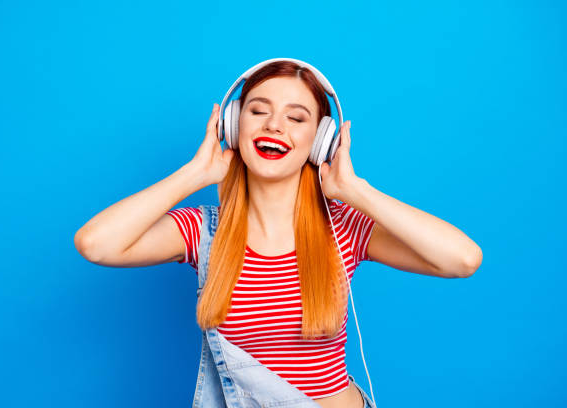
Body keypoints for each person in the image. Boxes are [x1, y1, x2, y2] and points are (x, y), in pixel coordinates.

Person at [74, 60, 483, 408]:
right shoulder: (203, 231)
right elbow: (96, 243)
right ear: (234, 126)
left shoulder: (343, 227)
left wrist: (355, 191)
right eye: (258, 111)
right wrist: (195, 174)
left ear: (320, 141)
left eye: (296, 117)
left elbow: (462, 259)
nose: (274, 125)